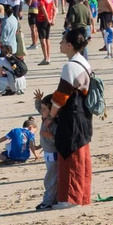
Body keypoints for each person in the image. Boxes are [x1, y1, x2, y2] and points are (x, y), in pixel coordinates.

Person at [36, 27, 94, 208]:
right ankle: (81, 196)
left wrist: (50, 118)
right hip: (83, 114)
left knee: (70, 153)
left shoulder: (70, 66)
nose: (59, 44)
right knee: (81, 154)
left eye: (62, 42)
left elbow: (60, 98)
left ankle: (70, 198)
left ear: (69, 45)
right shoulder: (83, 62)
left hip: (72, 116)